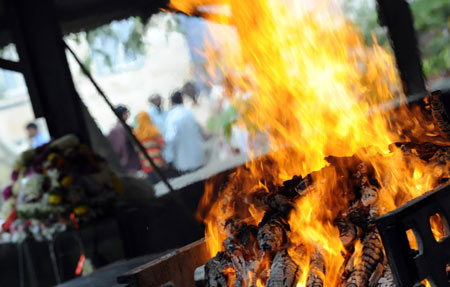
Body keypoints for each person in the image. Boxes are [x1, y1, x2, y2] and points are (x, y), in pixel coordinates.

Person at [164, 91, 205, 174]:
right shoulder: (189, 112)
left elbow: (170, 138)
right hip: (197, 156)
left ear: (172, 102)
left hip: (184, 160)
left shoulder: (171, 116)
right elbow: (199, 129)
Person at [134, 112, 166, 183]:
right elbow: (162, 145)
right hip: (158, 163)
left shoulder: (135, 133)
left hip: (146, 164)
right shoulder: (154, 130)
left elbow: (136, 149)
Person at [108, 105, 141, 173]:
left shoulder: (114, 130)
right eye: (126, 113)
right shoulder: (125, 128)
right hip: (132, 161)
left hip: (124, 162)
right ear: (123, 114)